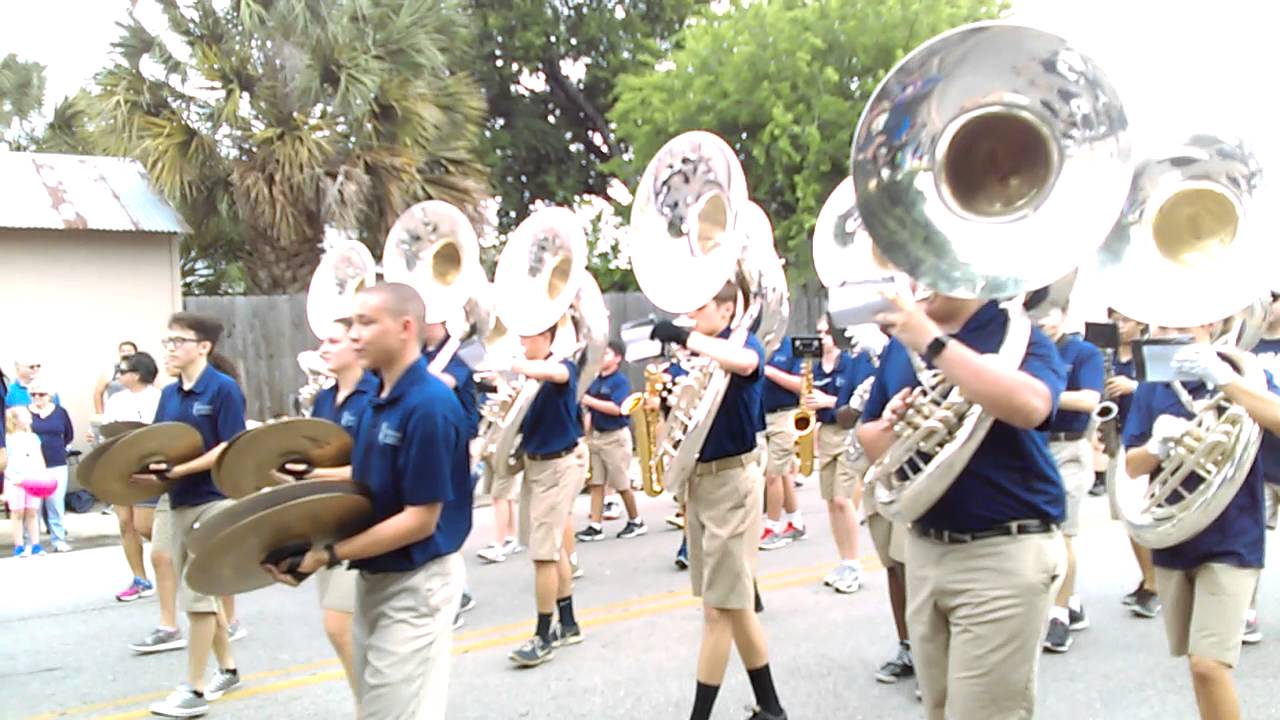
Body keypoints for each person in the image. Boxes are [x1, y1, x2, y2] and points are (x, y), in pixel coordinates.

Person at [858, 290, 1067, 720]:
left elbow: (1033, 406)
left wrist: (934, 343)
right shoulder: (902, 345)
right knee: (939, 710)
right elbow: (870, 441)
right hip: (925, 546)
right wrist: (895, 424)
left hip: (1003, 552)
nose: (916, 279)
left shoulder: (1013, 332)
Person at [267, 282, 471, 719]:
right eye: (351, 324)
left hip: (417, 583)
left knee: (389, 712)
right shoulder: (377, 401)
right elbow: (369, 477)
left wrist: (328, 555)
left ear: (404, 327)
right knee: (377, 708)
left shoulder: (429, 406)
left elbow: (420, 520)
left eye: (365, 323)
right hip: (374, 578)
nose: (353, 334)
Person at [651, 280, 787, 720]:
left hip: (732, 482)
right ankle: (771, 707)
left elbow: (747, 363)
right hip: (702, 484)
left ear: (727, 311)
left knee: (717, 612)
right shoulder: (703, 360)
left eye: (701, 307)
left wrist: (688, 339)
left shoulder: (743, 344)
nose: (692, 315)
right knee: (735, 603)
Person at [1124, 332, 1273, 720]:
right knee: (1198, 664)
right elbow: (1132, 466)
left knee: (1209, 664)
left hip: (1233, 533)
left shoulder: (1246, 373)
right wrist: (1157, 447)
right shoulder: (1152, 386)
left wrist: (1223, 378)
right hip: (1174, 531)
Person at [135, 312, 247, 718]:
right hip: (174, 499)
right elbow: (161, 442)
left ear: (203, 347)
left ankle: (194, 689)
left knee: (198, 594)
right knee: (174, 569)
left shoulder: (223, 390)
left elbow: (229, 447)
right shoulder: (169, 394)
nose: (169, 348)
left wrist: (181, 470)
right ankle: (229, 669)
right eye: (167, 341)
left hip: (212, 498)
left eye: (178, 341)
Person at [501, 322, 589, 668]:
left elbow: (554, 373)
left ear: (546, 338)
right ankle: (567, 624)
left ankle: (542, 636)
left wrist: (515, 364)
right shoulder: (532, 380)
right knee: (551, 550)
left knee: (543, 556)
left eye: (527, 336)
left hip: (558, 466)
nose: (522, 342)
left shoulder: (562, 366)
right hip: (536, 467)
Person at [306, 318, 378, 697]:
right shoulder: (323, 397)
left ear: (356, 345)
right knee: (346, 630)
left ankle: (374, 706)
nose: (323, 349)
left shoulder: (373, 397)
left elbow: (373, 468)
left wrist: (314, 473)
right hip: (327, 518)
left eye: (333, 341)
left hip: (362, 521)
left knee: (340, 626)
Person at [1033, 301, 1104, 653]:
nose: (1042, 321)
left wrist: (1039, 395)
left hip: (1068, 447)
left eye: (1049, 313)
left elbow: (1091, 399)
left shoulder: (1083, 352)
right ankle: (1071, 600)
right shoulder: (1024, 347)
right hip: (1031, 444)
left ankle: (1058, 614)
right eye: (1036, 314)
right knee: (1038, 533)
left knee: (1062, 533)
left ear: (1063, 314)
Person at [803, 314, 875, 594]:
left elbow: (860, 400)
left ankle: (854, 563)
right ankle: (844, 560)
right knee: (831, 502)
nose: (821, 337)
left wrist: (829, 401)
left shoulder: (855, 361)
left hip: (847, 431)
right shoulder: (817, 366)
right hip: (826, 432)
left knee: (844, 500)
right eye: (819, 332)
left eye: (825, 332)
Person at [422, 314, 481, 623]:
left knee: (449, 516)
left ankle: (454, 596)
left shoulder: (468, 349)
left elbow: (441, 383)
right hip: (431, 439)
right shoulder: (418, 353)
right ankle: (460, 588)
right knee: (434, 516)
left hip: (459, 442)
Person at [1104, 308, 1162, 618]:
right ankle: (1148, 579)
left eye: (1125, 320)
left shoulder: (1152, 350)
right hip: (1119, 438)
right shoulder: (1106, 353)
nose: (1119, 326)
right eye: (1115, 320)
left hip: (1151, 440)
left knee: (1149, 515)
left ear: (1140, 321)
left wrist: (1133, 386)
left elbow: (1166, 389)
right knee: (1129, 517)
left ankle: (1155, 585)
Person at [99, 352, 164, 602]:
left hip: (147, 466)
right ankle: (140, 579)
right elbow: (108, 428)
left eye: (124, 371)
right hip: (120, 464)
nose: (120, 375)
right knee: (125, 522)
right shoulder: (116, 399)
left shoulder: (159, 398)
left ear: (137, 374)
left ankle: (174, 561)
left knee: (145, 525)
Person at [1239, 292, 1280, 643]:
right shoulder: (1242, 349)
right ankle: (1245, 611)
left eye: (1274, 299)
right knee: (1249, 536)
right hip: (1258, 458)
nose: (1267, 307)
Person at [576, 340, 646, 542]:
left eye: (606, 353)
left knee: (621, 482)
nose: (601, 357)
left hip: (615, 436)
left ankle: (636, 520)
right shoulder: (595, 380)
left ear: (617, 358)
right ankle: (595, 525)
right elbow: (587, 410)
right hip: (597, 436)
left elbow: (618, 408)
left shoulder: (620, 381)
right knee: (596, 483)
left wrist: (588, 400)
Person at [759, 335, 804, 550]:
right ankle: (796, 521)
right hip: (760, 415)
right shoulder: (755, 344)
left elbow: (801, 385)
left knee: (773, 474)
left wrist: (768, 370)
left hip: (785, 415)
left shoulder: (790, 347)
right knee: (783, 472)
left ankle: (773, 527)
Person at [27, 380, 74, 553]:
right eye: (33, 394)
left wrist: (63, 450)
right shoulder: (25, 413)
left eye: (41, 394)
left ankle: (59, 539)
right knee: (34, 506)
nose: (37, 397)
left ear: (50, 395)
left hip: (56, 462)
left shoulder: (60, 412)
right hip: (32, 465)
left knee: (55, 502)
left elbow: (69, 434)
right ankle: (32, 542)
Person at [5, 406, 48, 557]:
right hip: (15, 480)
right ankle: (19, 546)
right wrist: (11, 477)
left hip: (33, 479)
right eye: (25, 416)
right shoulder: (7, 439)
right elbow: (4, 462)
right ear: (15, 420)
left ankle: (35, 544)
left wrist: (43, 476)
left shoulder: (33, 437)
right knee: (17, 513)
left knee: (32, 512)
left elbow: (39, 458)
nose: (30, 417)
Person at [94, 340, 140, 414]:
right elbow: (98, 393)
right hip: (115, 415)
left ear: (136, 353)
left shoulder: (144, 370)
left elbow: (157, 390)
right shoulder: (110, 371)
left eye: (129, 351)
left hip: (140, 415)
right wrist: (100, 414)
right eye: (123, 351)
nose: (126, 353)